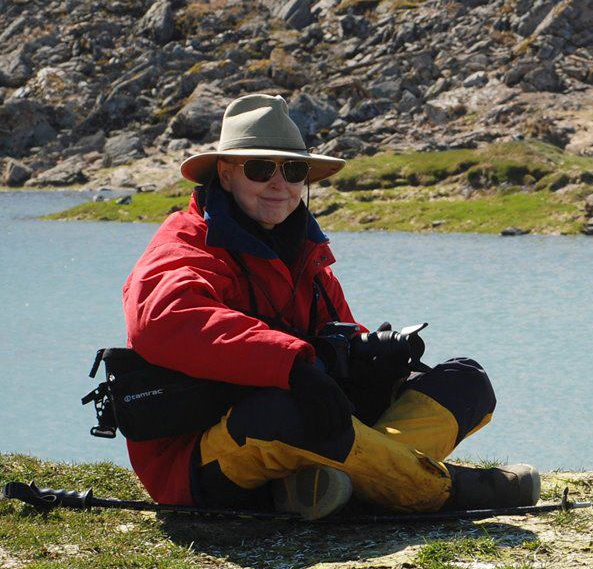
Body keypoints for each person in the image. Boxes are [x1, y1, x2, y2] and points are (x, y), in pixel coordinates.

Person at [121, 94, 539, 519]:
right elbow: (162, 318)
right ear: (225, 177)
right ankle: (448, 490)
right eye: (261, 169)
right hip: (197, 462)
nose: (279, 184)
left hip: (305, 434)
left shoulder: (306, 252)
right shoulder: (187, 241)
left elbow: (337, 337)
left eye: (294, 170)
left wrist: (371, 354)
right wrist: (292, 366)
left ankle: (324, 485)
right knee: (286, 413)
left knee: (465, 383)